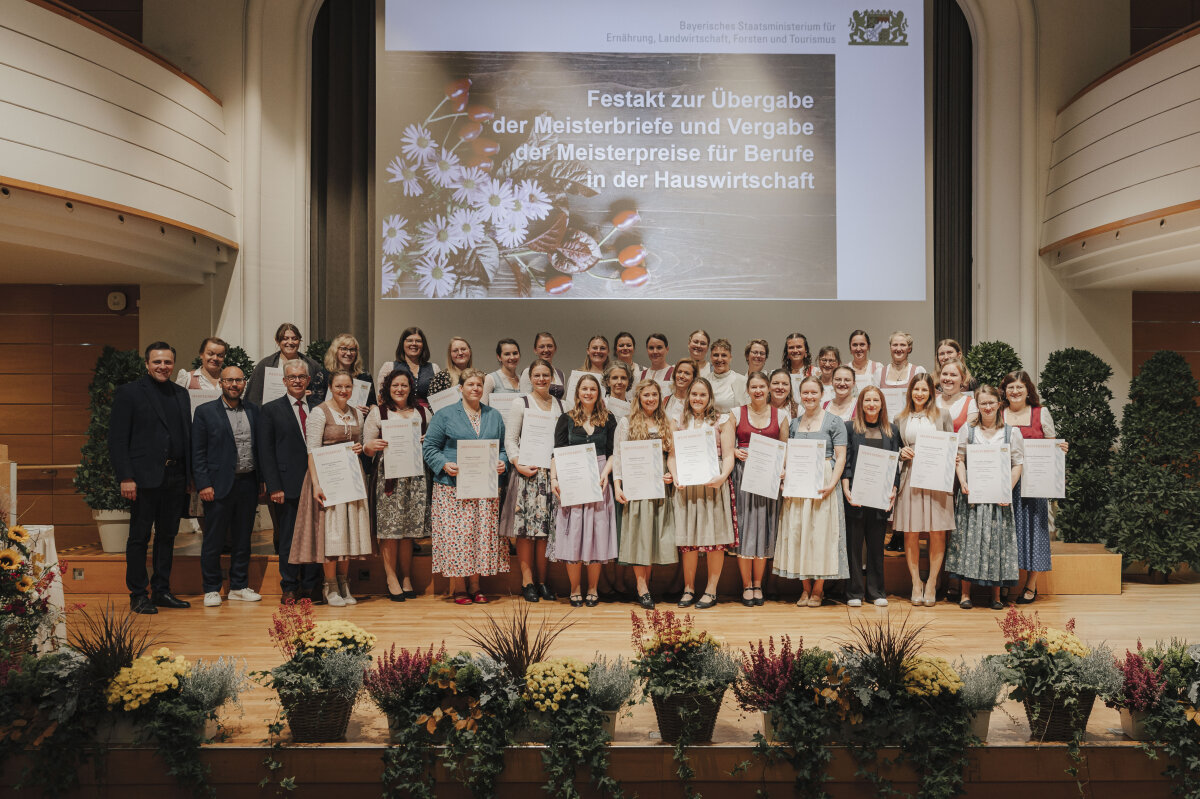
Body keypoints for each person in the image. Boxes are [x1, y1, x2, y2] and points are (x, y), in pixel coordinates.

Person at [108, 342, 192, 614]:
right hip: (143, 478)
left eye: (167, 362)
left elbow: (185, 436)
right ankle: (137, 594)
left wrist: (189, 475)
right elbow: (118, 440)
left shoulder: (181, 393)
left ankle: (161, 591)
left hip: (175, 476)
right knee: (139, 537)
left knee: (168, 536)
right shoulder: (129, 393)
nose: (162, 367)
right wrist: (126, 477)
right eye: (157, 362)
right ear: (147, 364)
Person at [424, 368, 510, 604]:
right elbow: (430, 447)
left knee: (480, 536)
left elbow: (502, 447)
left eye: (479, 385)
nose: (475, 388)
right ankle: (459, 586)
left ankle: (476, 584)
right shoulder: (445, 414)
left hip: (485, 487)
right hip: (453, 486)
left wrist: (503, 461)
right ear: (460, 389)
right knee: (459, 537)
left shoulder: (494, 415)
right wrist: (443, 464)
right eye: (470, 384)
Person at [291, 370, 372, 607]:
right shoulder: (319, 412)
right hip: (328, 477)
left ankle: (344, 582)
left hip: (352, 476)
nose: (343, 391)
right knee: (332, 532)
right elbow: (311, 450)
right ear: (330, 387)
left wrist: (360, 447)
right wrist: (316, 484)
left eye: (347, 387)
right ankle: (330, 585)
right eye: (339, 386)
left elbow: (362, 442)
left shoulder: (357, 413)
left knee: (349, 529)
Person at [947, 385, 1023, 610]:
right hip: (973, 495)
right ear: (977, 406)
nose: (988, 407)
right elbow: (958, 459)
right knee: (968, 541)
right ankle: (964, 594)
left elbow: (1017, 464)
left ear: (999, 404)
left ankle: (997, 595)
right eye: (983, 403)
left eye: (991, 402)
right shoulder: (967, 430)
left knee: (996, 542)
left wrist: (1007, 490)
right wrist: (963, 481)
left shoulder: (1011, 432)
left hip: (998, 498)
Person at [191, 366, 263, 607]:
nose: (234, 384)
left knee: (243, 538)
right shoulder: (205, 412)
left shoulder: (254, 410)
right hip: (218, 485)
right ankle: (211, 588)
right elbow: (198, 452)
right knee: (214, 538)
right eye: (229, 380)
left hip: (248, 482)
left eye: (239, 380)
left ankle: (239, 586)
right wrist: (203, 484)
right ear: (221, 383)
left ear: (244, 383)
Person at [775, 375, 848, 607]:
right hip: (799, 483)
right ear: (800, 395)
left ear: (821, 394)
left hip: (823, 482)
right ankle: (805, 588)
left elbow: (841, 456)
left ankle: (818, 589)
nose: (809, 397)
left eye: (813, 393)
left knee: (821, 535)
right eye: (805, 393)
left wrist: (832, 483)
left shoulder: (834, 422)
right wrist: (784, 477)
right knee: (800, 532)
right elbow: (788, 454)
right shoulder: (794, 423)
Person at [549, 374, 618, 607]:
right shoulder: (566, 418)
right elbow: (556, 451)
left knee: (597, 532)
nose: (588, 393)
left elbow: (613, 453)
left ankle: (592, 589)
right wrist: (554, 478)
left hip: (599, 479)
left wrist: (605, 473)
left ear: (598, 393)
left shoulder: (609, 418)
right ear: (577, 392)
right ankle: (575, 589)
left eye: (593, 389)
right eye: (584, 389)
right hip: (573, 479)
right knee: (574, 532)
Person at [257, 359, 321, 603]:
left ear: (308, 380)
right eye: (292, 377)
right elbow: (266, 451)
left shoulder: (319, 406)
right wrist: (274, 486)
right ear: (284, 381)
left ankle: (311, 585)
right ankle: (290, 586)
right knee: (289, 538)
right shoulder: (271, 409)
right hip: (287, 484)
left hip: (316, 484)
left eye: (301, 376)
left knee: (315, 535)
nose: (297, 380)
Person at [1001, 370, 1068, 605]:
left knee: (1036, 532)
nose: (1015, 391)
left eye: (1020, 387)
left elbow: (1051, 446)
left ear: (1028, 390)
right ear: (1005, 391)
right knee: (1008, 533)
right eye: (1011, 387)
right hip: (1007, 482)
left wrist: (1060, 449)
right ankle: (1006, 582)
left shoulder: (1042, 413)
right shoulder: (999, 414)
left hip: (1035, 483)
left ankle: (1031, 585)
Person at [362, 369, 429, 601]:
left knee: (408, 531)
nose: (399, 389)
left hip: (415, 477)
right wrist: (374, 445)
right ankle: (391, 577)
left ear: (411, 388)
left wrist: (426, 440)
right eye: (395, 386)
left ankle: (407, 577)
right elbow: (366, 447)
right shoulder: (377, 412)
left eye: (404, 385)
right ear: (388, 388)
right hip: (388, 476)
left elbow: (432, 441)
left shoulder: (422, 411)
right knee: (390, 531)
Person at [500, 359, 563, 602]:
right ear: (530, 378)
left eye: (545, 375)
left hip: (551, 475)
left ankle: (543, 582)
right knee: (525, 532)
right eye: (537, 375)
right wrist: (518, 464)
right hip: (527, 473)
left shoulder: (561, 405)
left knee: (545, 531)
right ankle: (527, 582)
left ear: (552, 378)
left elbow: (562, 442)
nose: (541, 379)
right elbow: (510, 440)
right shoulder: (520, 403)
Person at [671, 377, 736, 609]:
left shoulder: (723, 420)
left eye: (702, 395)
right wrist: (675, 476)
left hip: (712, 483)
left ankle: (711, 590)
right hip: (686, 486)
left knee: (714, 540)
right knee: (688, 540)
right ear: (688, 396)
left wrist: (722, 477)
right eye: (694, 394)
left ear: (710, 398)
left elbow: (729, 455)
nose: (698, 399)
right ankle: (688, 588)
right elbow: (672, 456)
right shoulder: (678, 420)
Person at [612, 379, 676, 608]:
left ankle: (647, 585)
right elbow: (618, 457)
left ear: (660, 398)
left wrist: (670, 474)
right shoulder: (626, 422)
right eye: (646, 395)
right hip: (636, 488)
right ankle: (641, 587)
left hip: (659, 488)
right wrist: (618, 486)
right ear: (638, 398)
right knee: (640, 536)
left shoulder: (666, 422)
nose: (650, 399)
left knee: (653, 536)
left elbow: (671, 455)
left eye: (654, 395)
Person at [893, 372, 956, 606]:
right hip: (910, 477)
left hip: (937, 479)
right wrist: (901, 453)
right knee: (910, 532)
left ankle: (931, 582)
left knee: (937, 532)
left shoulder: (943, 415)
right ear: (910, 392)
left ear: (931, 392)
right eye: (916, 389)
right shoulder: (900, 418)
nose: (919, 393)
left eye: (924, 389)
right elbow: (895, 449)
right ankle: (915, 583)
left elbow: (953, 446)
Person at [731, 371, 789, 607]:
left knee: (764, 527)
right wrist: (735, 451)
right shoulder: (736, 413)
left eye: (761, 387)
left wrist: (783, 469)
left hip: (768, 477)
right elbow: (727, 446)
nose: (757, 391)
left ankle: (758, 584)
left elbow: (785, 448)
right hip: (744, 475)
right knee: (746, 528)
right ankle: (746, 585)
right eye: (753, 387)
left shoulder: (781, 415)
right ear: (748, 389)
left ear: (768, 389)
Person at [841, 386, 902, 607]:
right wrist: (846, 489)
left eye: (876, 400)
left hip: (879, 497)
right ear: (861, 403)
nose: (872, 404)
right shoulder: (849, 428)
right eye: (868, 400)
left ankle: (876, 592)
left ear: (882, 404)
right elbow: (846, 461)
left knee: (876, 546)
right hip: (856, 496)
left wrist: (893, 488)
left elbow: (895, 464)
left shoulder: (892, 430)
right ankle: (854, 592)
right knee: (854, 546)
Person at [176, 337, 227, 532]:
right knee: (202, 500)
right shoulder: (188, 378)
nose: (215, 358)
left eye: (220, 355)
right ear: (201, 354)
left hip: (224, 447)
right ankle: (210, 542)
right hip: (198, 446)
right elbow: (178, 410)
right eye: (211, 353)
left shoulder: (228, 379)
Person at [246, 323, 321, 406]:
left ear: (299, 341)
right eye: (285, 339)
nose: (290, 342)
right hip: (272, 414)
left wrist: (310, 396)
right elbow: (253, 397)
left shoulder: (312, 365)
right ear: (277, 341)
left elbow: (321, 395)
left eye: (294, 338)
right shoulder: (265, 364)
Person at [376, 326, 439, 407]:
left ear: (423, 345)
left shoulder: (434, 368)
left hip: (428, 416)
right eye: (409, 340)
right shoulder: (389, 367)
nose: (414, 344)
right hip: (397, 415)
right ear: (402, 344)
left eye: (418, 341)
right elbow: (381, 399)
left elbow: (439, 399)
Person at [310, 333, 376, 410]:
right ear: (335, 351)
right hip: (330, 420)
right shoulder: (323, 375)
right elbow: (315, 405)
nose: (348, 353)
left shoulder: (364, 376)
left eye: (352, 350)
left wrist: (367, 410)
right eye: (344, 349)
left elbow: (373, 404)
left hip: (359, 420)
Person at [518, 332, 566, 398]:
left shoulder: (560, 374)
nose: (546, 350)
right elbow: (525, 401)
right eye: (541, 347)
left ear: (555, 349)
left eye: (550, 346)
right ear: (535, 350)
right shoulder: (528, 372)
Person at [936, 358, 978, 431]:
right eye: (945, 374)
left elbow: (970, 433)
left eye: (953, 375)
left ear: (962, 379)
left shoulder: (971, 403)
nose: (948, 378)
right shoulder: (931, 400)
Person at [707, 339, 748, 413]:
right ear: (711, 357)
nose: (719, 359)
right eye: (716, 355)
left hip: (733, 423)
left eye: (724, 355)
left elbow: (747, 411)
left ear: (730, 358)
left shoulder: (742, 381)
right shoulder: (705, 381)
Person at [482, 338, 522, 402]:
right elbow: (482, 407)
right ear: (499, 357)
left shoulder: (521, 379)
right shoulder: (490, 379)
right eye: (507, 354)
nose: (512, 357)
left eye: (515, 353)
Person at [664, 358, 698, 422]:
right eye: (679, 372)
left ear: (694, 378)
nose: (681, 376)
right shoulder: (665, 401)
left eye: (687, 373)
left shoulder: (697, 402)